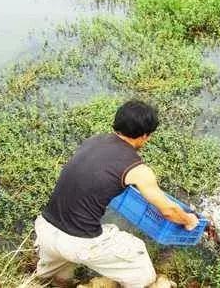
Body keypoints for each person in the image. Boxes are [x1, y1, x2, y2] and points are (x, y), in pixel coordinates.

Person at [34, 100, 199, 288]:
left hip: (46, 230)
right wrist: (189, 221)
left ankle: (59, 280)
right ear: (145, 136)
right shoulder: (138, 169)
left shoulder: (93, 140)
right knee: (139, 260)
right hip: (80, 243)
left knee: (56, 279)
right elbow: (169, 211)